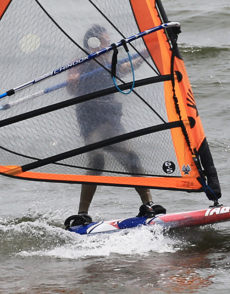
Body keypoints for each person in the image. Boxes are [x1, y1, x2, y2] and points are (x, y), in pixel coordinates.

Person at [63, 25, 165, 228]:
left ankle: (148, 204)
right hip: (91, 120)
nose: (109, 46)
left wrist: (148, 51)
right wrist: (72, 81)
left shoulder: (108, 63)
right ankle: (83, 214)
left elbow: (128, 67)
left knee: (131, 157)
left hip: (111, 120)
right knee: (97, 160)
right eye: (105, 42)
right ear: (94, 44)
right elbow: (70, 87)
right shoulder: (81, 62)